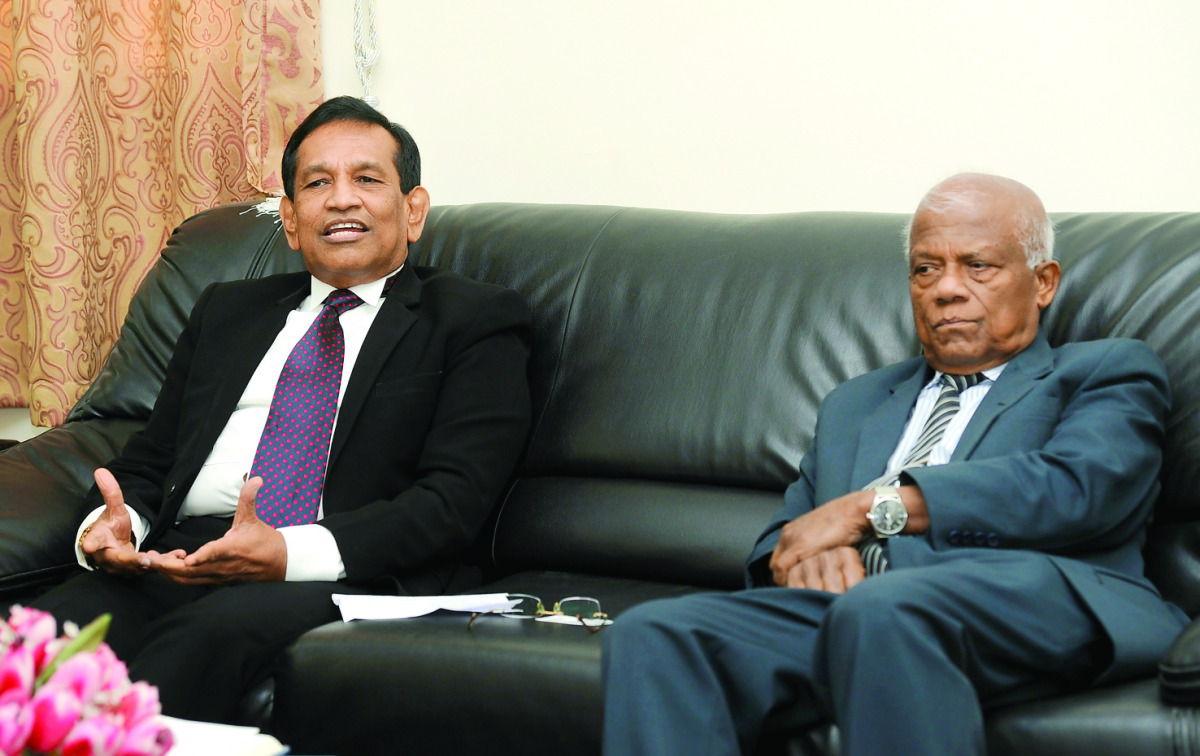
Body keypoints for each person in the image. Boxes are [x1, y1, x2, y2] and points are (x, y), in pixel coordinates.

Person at [601, 173, 1188, 755]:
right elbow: (790, 531)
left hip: (1034, 601)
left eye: (978, 266)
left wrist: (871, 510)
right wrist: (807, 557)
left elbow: (1082, 488)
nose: (946, 289)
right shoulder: (854, 404)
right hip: (854, 611)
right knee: (655, 633)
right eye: (925, 269)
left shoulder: (1103, 369)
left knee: (883, 611)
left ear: (1042, 282)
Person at [33, 96, 532, 723]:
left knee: (200, 643)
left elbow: (454, 502)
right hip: (186, 553)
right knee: (41, 639)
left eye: (367, 179)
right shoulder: (227, 312)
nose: (342, 199)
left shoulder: (473, 320)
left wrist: (288, 553)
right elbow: (153, 457)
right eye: (317, 183)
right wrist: (115, 526)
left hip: (343, 568)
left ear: (413, 210)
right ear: (291, 221)